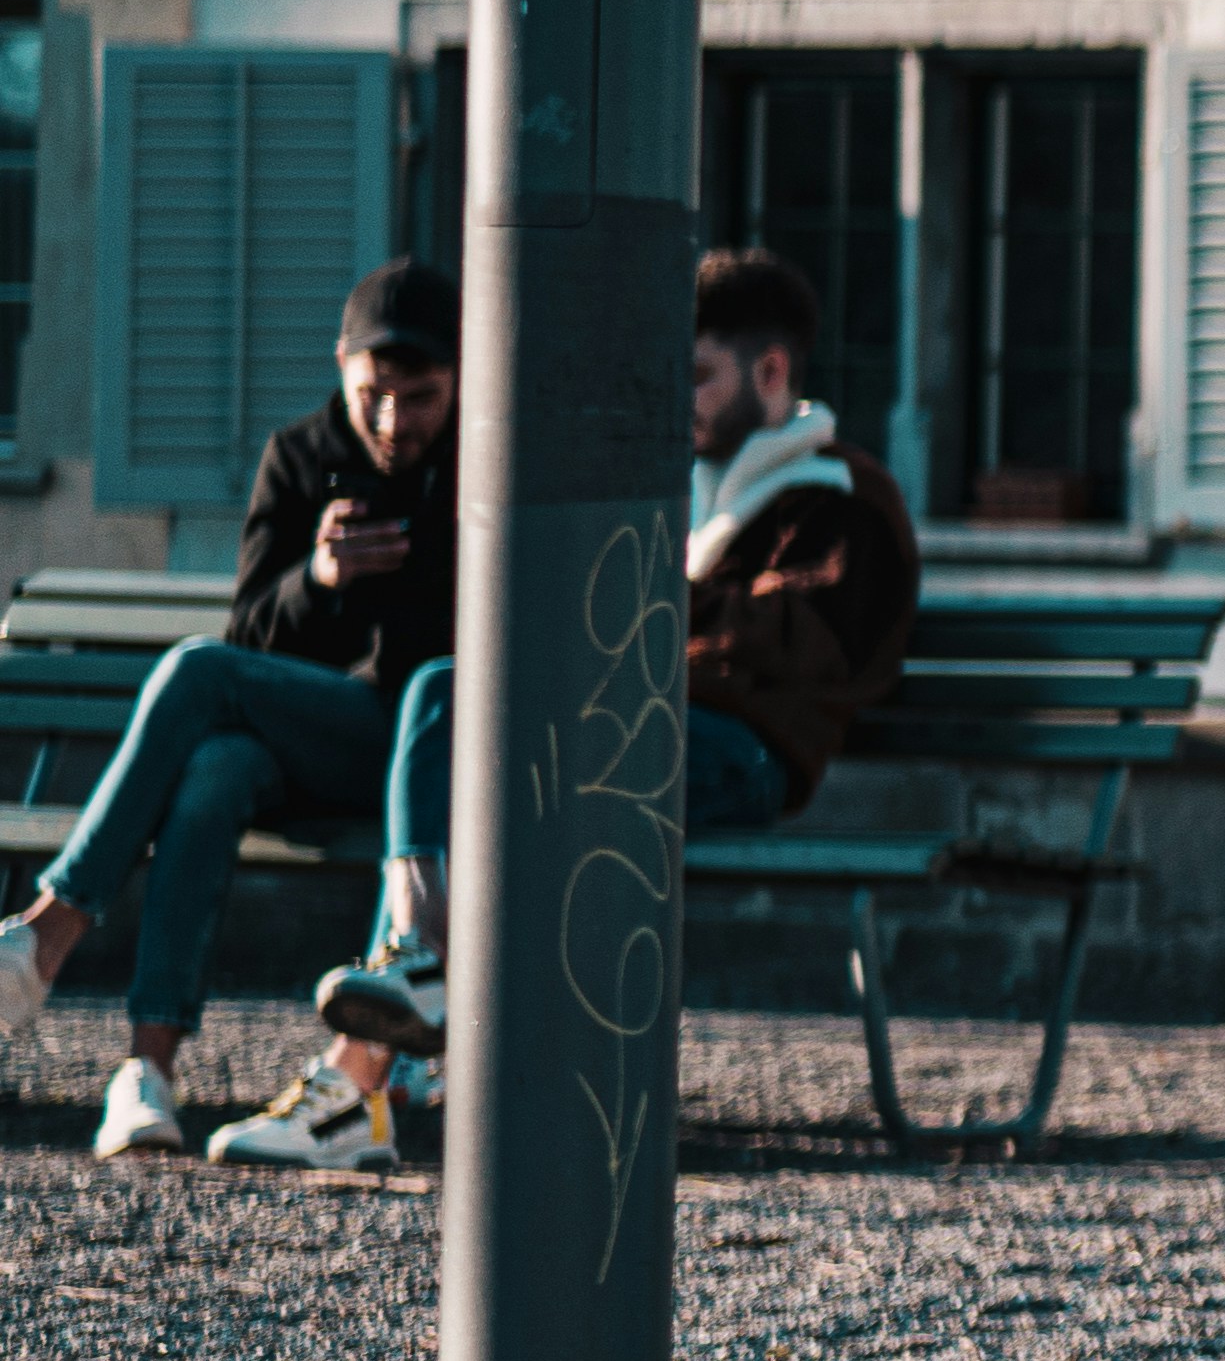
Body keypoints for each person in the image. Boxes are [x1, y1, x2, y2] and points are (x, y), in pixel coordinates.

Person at [210, 247, 920, 1177]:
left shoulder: (840, 498)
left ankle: (372, 1061)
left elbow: (777, 654)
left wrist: (622, 616)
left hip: (741, 756)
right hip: (639, 732)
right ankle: (403, 1000)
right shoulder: (697, 493)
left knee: (480, 724)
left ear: (772, 372)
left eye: (697, 376)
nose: (678, 399)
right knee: (447, 693)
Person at [0, 258, 460, 1156]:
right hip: (307, 746)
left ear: (460, 380)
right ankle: (148, 1078)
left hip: (422, 757)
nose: (395, 420)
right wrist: (321, 582)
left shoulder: (482, 472)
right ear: (340, 365)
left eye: (422, 396)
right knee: (213, 768)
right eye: (375, 394)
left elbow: (455, 661)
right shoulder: (299, 459)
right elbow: (255, 635)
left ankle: (46, 938)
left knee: (195, 673)